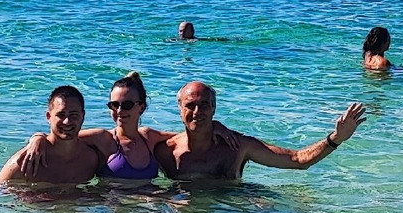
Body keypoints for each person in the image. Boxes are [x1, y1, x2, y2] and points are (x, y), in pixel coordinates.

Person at [19, 72, 239, 182]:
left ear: (141, 108)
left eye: (127, 105)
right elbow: (62, 135)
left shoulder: (149, 137)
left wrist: (214, 125)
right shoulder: (102, 138)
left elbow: (189, 134)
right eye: (114, 105)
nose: (120, 110)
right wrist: (37, 137)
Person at [154, 80, 366, 181]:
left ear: (214, 108)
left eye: (204, 105)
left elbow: (298, 160)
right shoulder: (164, 151)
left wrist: (336, 138)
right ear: (180, 109)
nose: (197, 112)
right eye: (190, 105)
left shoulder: (237, 147)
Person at [0, 86, 100, 186]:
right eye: (61, 115)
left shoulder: (91, 159)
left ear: (83, 116)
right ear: (49, 117)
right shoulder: (25, 161)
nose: (67, 121)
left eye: (74, 115)